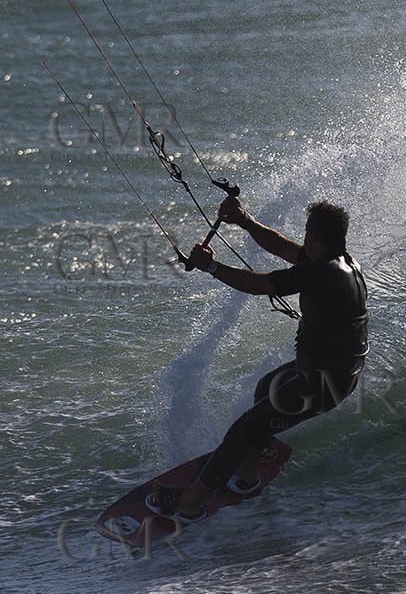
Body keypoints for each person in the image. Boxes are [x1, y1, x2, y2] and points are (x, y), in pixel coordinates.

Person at [147, 197, 369, 520]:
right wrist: (245, 220)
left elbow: (260, 284)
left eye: (307, 231)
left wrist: (212, 267)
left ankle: (191, 502)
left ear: (317, 236)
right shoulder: (339, 262)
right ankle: (247, 477)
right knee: (266, 389)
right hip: (328, 373)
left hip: (326, 383)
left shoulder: (323, 274)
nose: (304, 237)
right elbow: (282, 247)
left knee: (245, 428)